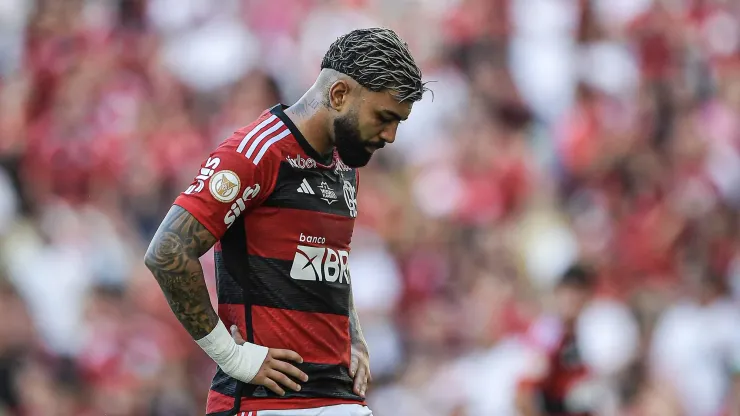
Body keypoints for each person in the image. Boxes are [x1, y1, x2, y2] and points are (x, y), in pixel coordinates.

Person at [144, 28, 428, 416]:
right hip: (269, 403)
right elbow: (167, 251)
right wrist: (232, 357)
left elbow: (331, 264)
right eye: (384, 117)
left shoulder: (345, 164)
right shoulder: (257, 153)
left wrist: (355, 338)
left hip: (339, 397)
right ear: (339, 94)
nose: (391, 135)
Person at [515, 264, 597, 416]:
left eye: (579, 292)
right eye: (568, 291)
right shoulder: (547, 333)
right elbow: (523, 395)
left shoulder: (594, 330)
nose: (573, 298)